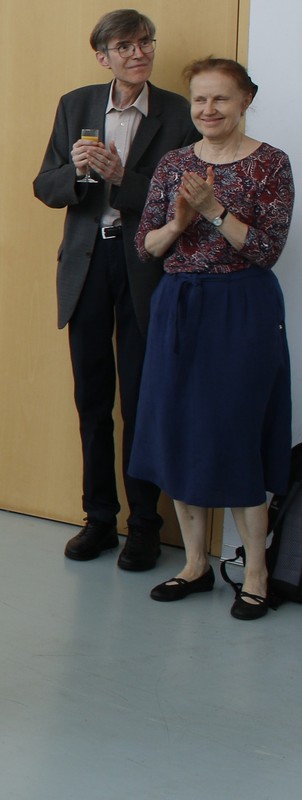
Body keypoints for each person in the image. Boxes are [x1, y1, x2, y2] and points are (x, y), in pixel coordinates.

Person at [33, 9, 199, 571]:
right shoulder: (76, 104)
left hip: (146, 265)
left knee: (142, 399)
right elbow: (46, 186)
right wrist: (79, 173)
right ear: (102, 56)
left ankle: (145, 526)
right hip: (87, 264)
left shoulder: (178, 113)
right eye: (124, 46)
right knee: (92, 400)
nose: (139, 53)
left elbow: (187, 198)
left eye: (145, 42)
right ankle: (99, 519)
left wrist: (121, 178)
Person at [132, 57, 293, 620]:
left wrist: (214, 209)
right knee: (178, 428)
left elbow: (267, 249)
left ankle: (256, 573)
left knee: (237, 431)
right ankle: (195, 564)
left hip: (242, 305)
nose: (208, 110)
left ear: (245, 100)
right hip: (179, 303)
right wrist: (178, 223)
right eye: (199, 100)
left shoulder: (271, 164)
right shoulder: (174, 162)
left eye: (220, 99)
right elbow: (146, 247)